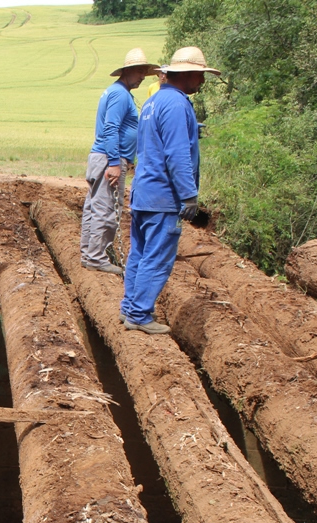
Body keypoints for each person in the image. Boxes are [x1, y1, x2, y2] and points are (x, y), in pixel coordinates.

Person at [120, 46, 221, 334]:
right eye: (199, 76)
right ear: (186, 74)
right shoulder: (177, 105)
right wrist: (188, 195)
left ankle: (129, 309)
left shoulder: (154, 102)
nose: (202, 82)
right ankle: (139, 315)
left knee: (139, 253)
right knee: (157, 257)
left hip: (143, 192)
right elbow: (178, 154)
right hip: (164, 196)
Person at [80, 48, 158, 275]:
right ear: (128, 71)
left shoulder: (116, 92)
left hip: (103, 157)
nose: (143, 77)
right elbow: (111, 128)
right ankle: (96, 257)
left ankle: (89, 254)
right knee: (105, 210)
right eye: (141, 72)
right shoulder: (120, 95)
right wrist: (115, 162)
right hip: (108, 158)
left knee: (94, 207)